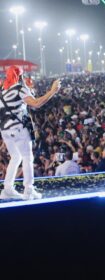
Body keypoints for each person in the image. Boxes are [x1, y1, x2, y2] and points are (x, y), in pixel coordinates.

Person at [0, 67, 60, 200]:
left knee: (15, 157)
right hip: (19, 129)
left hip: (5, 130)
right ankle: (28, 190)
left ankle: (8, 189)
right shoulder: (20, 88)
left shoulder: (2, 92)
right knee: (27, 157)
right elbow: (36, 103)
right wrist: (52, 91)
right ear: (20, 76)